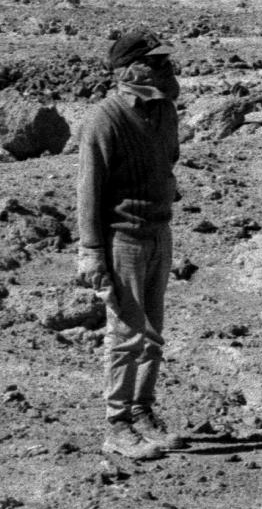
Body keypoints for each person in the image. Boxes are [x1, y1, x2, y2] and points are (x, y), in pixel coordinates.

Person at [75, 25, 183, 462]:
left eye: (165, 62)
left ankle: (142, 413)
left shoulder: (164, 112)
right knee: (125, 333)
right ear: (132, 69)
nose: (166, 69)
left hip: (158, 230)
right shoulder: (106, 117)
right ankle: (117, 423)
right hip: (123, 239)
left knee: (152, 333)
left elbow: (170, 160)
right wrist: (91, 250)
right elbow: (89, 189)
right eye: (155, 62)